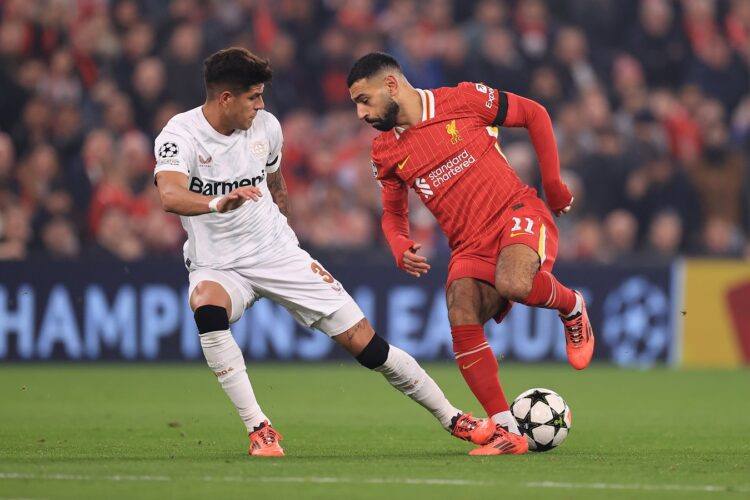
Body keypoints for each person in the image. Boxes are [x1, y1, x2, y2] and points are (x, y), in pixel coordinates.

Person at [153, 47, 494, 457]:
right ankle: (259, 429)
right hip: (218, 263)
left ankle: (453, 417)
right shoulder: (179, 135)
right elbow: (170, 195)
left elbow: (276, 184)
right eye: (253, 97)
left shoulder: (266, 127)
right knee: (206, 307)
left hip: (277, 253)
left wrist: (286, 236)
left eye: (262, 96)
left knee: (367, 345)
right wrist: (215, 203)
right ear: (225, 98)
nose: (260, 105)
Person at [347, 52, 595, 456]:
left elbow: (534, 113)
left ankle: (571, 305)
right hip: (467, 243)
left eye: (364, 100)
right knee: (459, 308)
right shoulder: (384, 152)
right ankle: (505, 430)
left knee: (513, 282)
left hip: (516, 212)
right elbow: (393, 215)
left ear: (391, 85)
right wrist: (398, 244)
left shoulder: (462, 100)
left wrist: (553, 183)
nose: (360, 113)